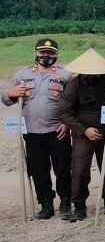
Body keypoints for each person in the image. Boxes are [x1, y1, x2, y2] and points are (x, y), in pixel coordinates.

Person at [2, 38, 72, 220]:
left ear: (56, 55)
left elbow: (72, 103)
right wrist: (11, 93)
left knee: (62, 168)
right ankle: (46, 205)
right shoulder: (23, 74)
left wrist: (67, 123)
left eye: (50, 53)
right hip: (32, 131)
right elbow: (6, 99)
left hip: (58, 130)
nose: (46, 56)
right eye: (42, 53)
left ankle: (65, 203)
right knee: (38, 170)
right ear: (35, 53)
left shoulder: (65, 75)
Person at [58, 49, 105, 221]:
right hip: (83, 131)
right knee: (80, 169)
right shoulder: (75, 82)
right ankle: (79, 206)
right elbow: (63, 111)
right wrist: (84, 130)